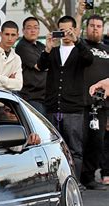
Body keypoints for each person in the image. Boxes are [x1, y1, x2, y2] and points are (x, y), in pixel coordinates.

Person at [37, 15, 93, 181]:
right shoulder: (53, 51)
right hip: (53, 106)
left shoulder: (80, 50)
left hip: (73, 108)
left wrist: (77, 41)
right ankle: (56, 184)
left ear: (75, 30)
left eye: (68, 30)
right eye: (62, 30)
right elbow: (40, 66)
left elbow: (89, 59)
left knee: (75, 149)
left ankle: (74, 183)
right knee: (53, 148)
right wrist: (47, 48)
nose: (65, 34)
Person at [79, 15, 109, 190]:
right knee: (79, 141)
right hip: (81, 103)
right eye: (92, 25)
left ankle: (89, 177)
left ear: (103, 28)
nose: (95, 28)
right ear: (86, 27)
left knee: (97, 142)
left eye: (98, 26)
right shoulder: (81, 47)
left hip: (102, 105)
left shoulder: (107, 49)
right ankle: (77, 176)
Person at [15, 17, 47, 115]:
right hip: (31, 97)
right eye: (29, 28)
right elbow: (40, 66)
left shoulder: (41, 46)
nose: (33, 30)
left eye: (36, 27)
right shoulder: (22, 46)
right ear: (23, 31)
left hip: (45, 97)